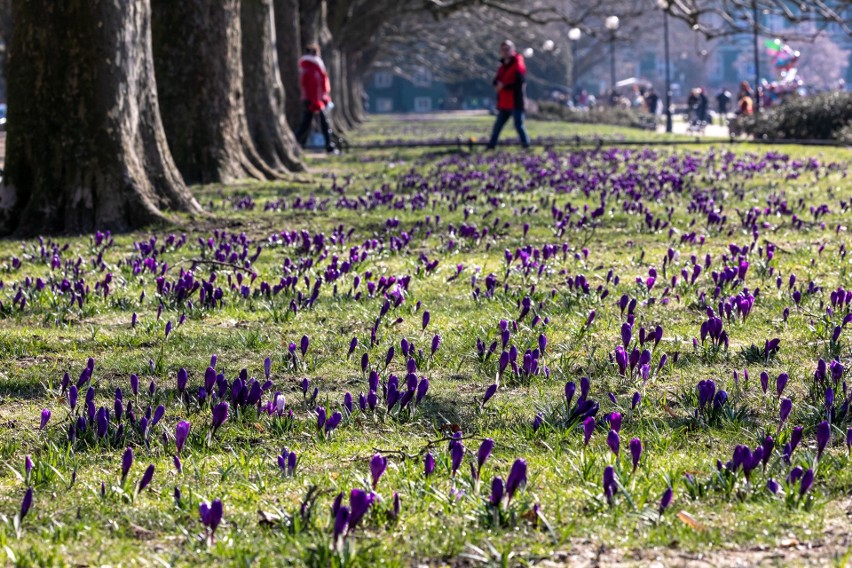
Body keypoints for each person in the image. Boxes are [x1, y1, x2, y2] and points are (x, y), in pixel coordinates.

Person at [486, 40, 530, 150]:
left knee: (518, 125)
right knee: (497, 126)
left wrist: (504, 86)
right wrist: (497, 84)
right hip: (504, 103)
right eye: (503, 50)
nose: (505, 52)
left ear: (512, 50)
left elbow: (520, 82)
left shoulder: (518, 64)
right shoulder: (502, 66)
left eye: (507, 49)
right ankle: (491, 145)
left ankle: (526, 145)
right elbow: (496, 80)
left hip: (515, 101)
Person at [294, 44, 337, 153]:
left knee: (306, 124)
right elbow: (315, 86)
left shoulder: (305, 67)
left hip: (309, 99)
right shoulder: (314, 68)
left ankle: (297, 144)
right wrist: (317, 101)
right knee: (323, 123)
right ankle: (329, 146)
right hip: (315, 100)